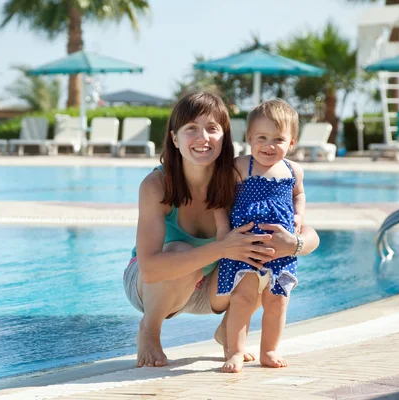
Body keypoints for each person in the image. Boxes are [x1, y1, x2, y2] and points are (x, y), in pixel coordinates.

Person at [122, 91, 319, 368]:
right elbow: (151, 269)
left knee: (263, 259)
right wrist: (223, 247)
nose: (203, 138)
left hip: (209, 286)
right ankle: (150, 331)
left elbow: (310, 236)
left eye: (212, 128)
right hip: (152, 285)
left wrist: (293, 244)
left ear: (225, 136)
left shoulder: (240, 177)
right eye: (191, 129)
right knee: (183, 252)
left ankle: (226, 331)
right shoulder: (157, 185)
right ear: (175, 138)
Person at [215, 99, 308, 373]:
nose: (269, 145)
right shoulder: (239, 167)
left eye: (278, 139)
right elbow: (220, 200)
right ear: (250, 138)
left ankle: (269, 350)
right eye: (262, 138)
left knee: (277, 302)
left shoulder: (293, 170)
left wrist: (299, 215)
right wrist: (223, 232)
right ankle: (234, 351)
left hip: (280, 252)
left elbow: (299, 195)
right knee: (242, 300)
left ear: (292, 142)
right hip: (246, 247)